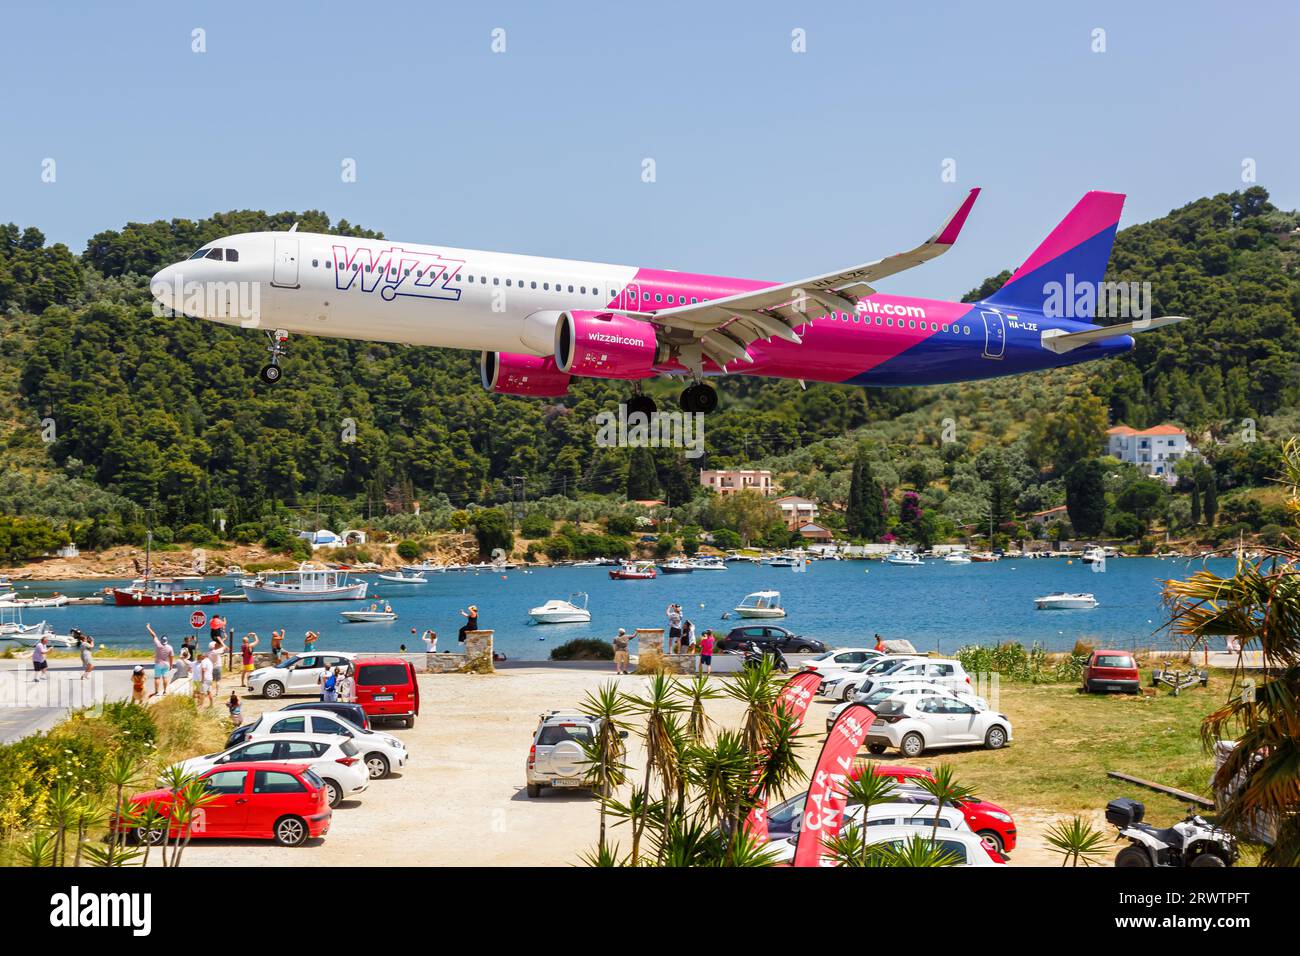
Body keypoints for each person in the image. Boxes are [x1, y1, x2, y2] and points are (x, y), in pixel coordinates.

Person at [146, 624, 174, 696]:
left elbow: (154, 635)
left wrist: (148, 628)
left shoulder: (158, 644)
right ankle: (165, 692)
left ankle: (157, 692)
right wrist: (171, 665)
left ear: (161, 640)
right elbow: (171, 657)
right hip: (166, 664)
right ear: (167, 641)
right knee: (165, 677)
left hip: (158, 664)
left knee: (157, 678)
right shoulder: (170, 647)